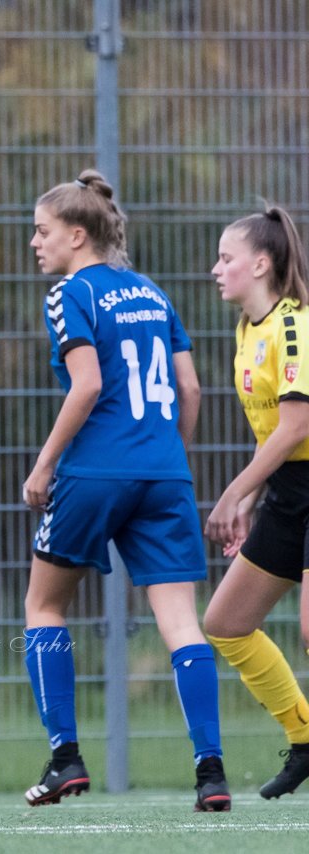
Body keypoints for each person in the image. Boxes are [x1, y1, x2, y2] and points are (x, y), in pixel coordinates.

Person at [21, 169, 229, 811]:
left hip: (95, 473)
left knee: (44, 606)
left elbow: (86, 387)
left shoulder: (69, 294)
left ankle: (64, 760)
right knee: (181, 624)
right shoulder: (152, 293)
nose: (34, 242)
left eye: (42, 230)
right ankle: (212, 774)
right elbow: (191, 390)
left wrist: (43, 463)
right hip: (165, 474)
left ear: (76, 236)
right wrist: (168, 458)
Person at [201, 204, 309, 800]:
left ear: (261, 263)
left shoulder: (294, 325)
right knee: (226, 624)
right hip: (291, 492)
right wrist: (253, 498)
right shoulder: (248, 330)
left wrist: (233, 493)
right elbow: (277, 439)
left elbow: (296, 427)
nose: (216, 269)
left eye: (226, 258)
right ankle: (305, 737)